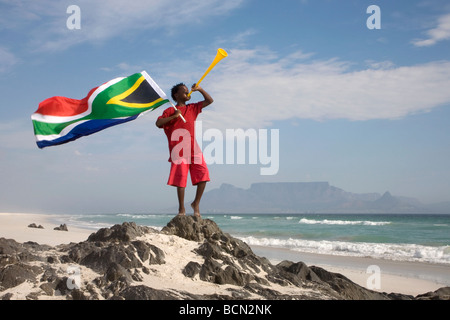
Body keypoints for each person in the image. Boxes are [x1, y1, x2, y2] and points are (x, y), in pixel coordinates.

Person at [155, 83, 213, 217]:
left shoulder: (192, 108)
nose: (187, 93)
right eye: (184, 91)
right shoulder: (170, 110)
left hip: (193, 147)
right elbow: (158, 123)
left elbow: (209, 101)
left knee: (203, 174)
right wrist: (174, 116)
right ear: (176, 95)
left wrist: (200, 89)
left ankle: (196, 204)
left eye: (188, 91)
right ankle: (181, 209)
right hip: (178, 149)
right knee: (181, 179)